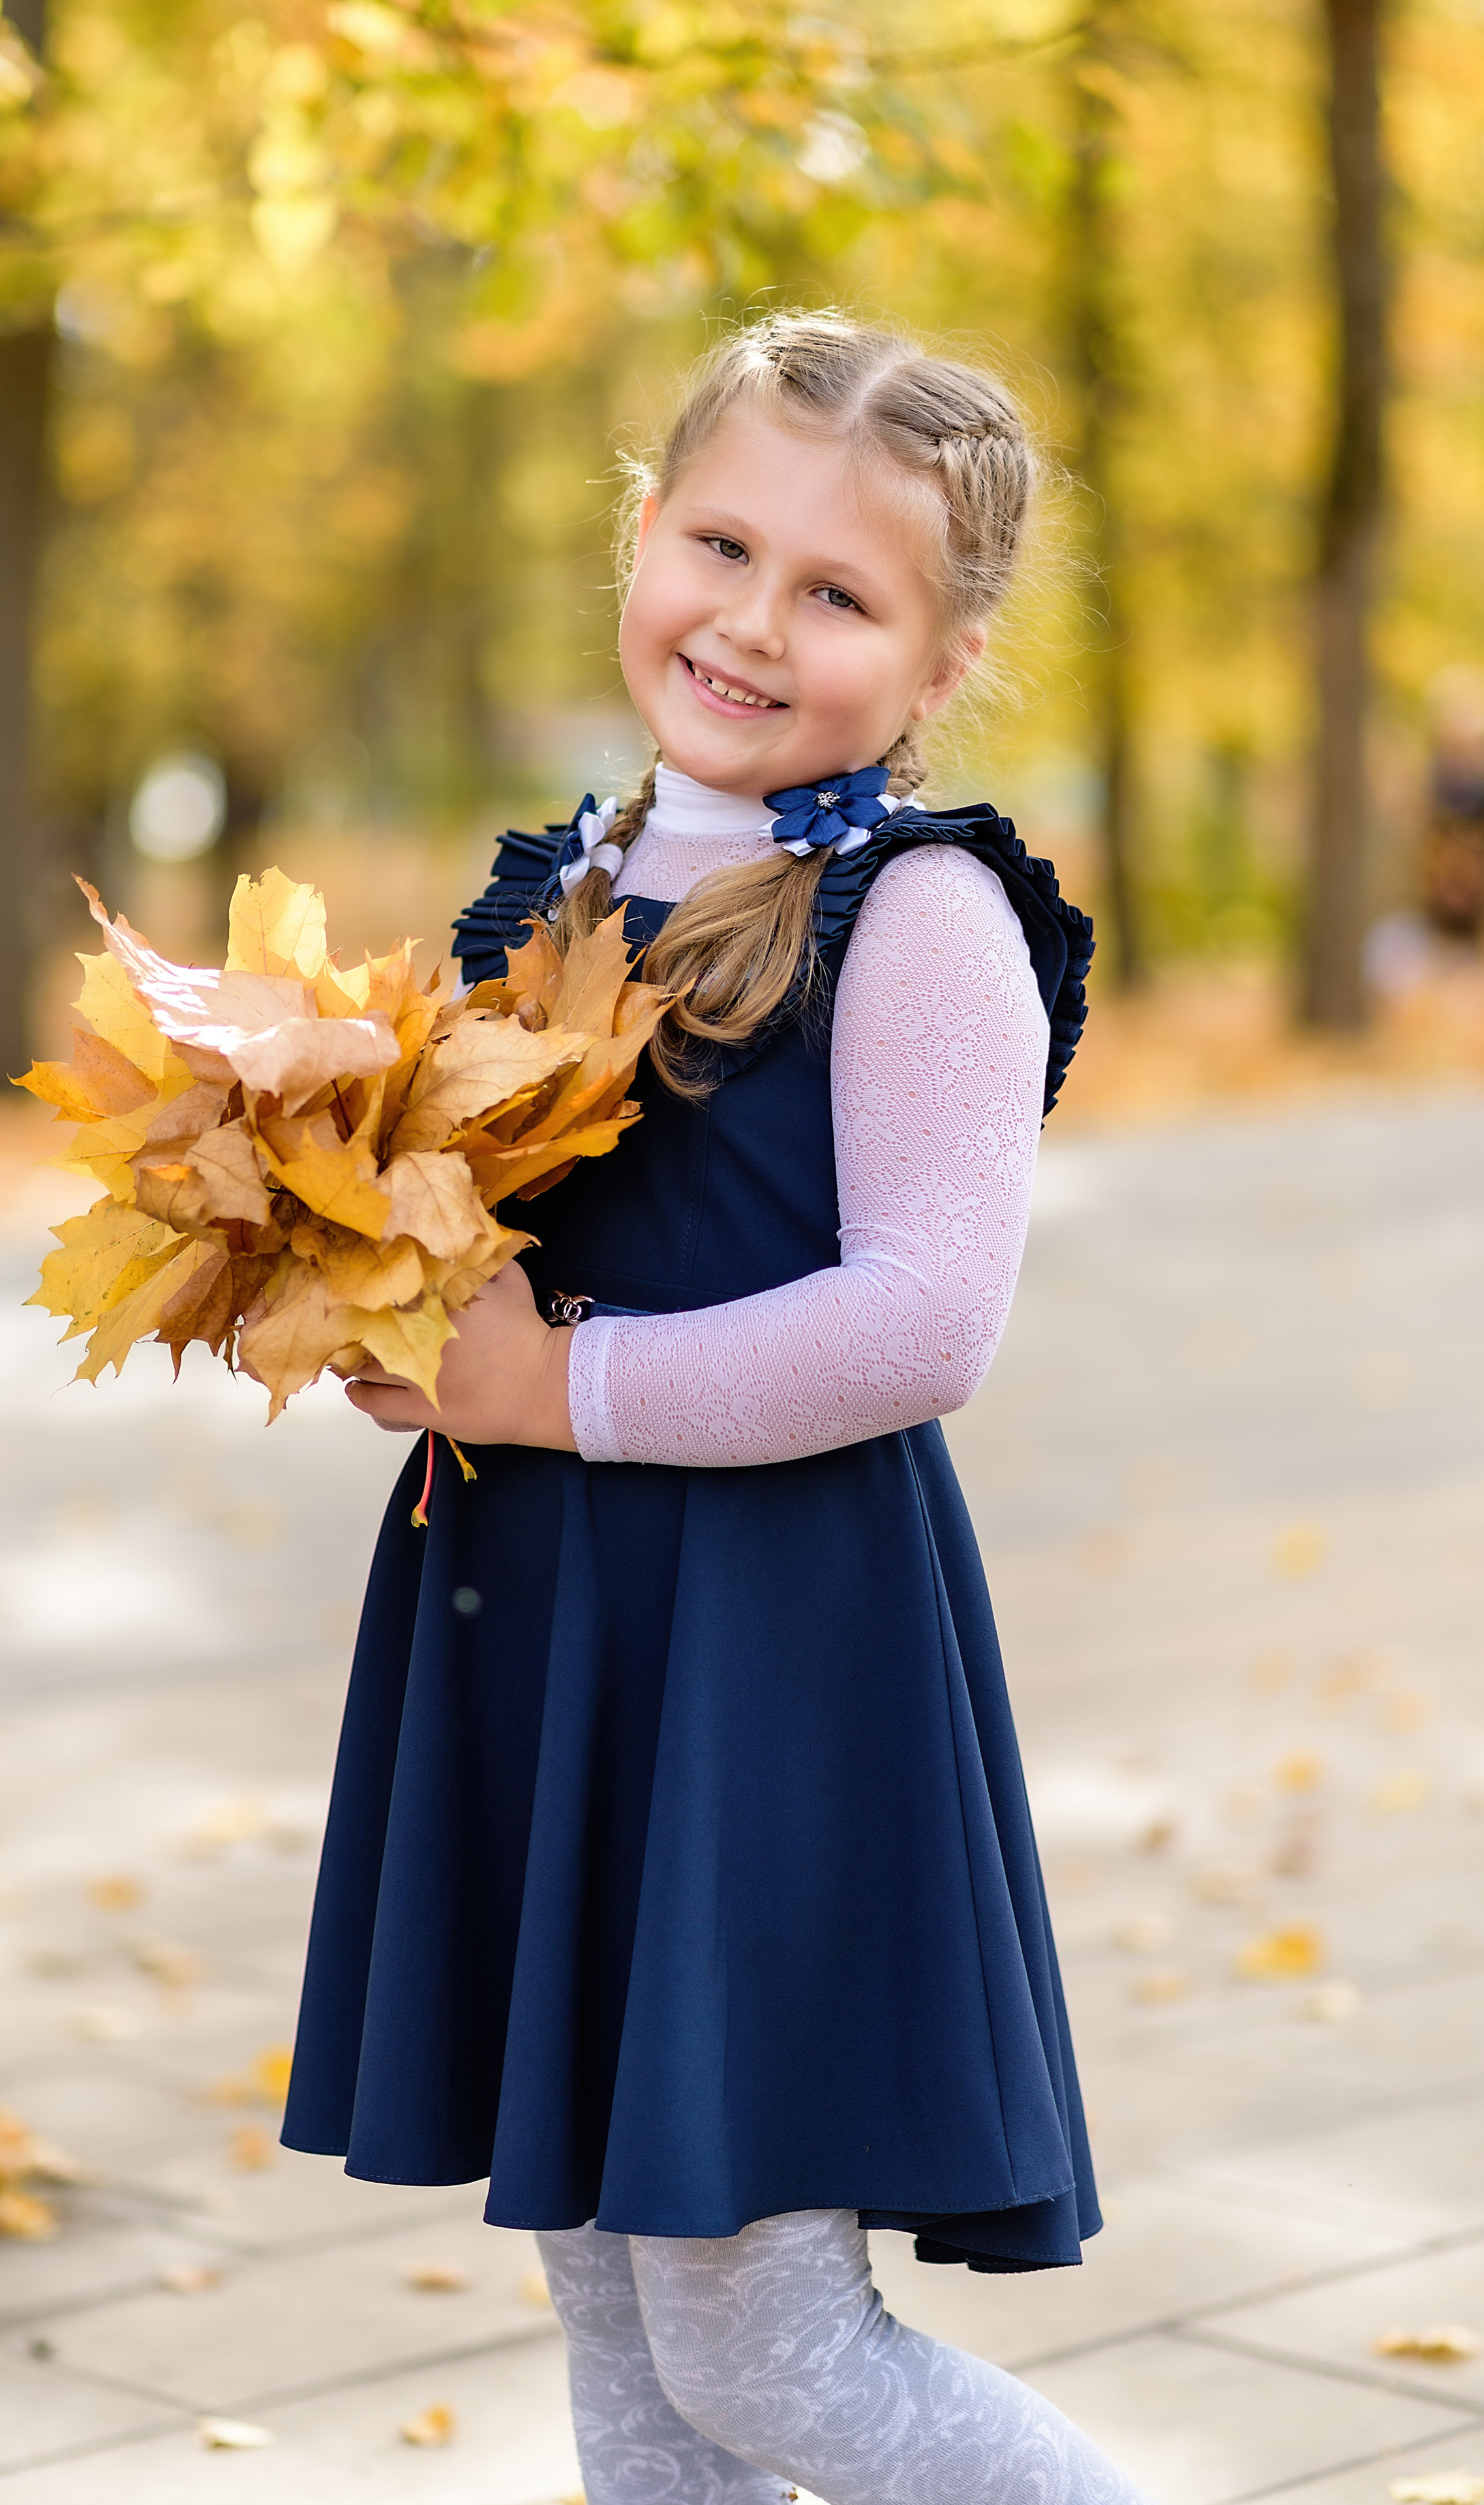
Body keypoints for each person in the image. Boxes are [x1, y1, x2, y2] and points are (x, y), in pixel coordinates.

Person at [281, 311, 1150, 2505]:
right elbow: (492, 1235)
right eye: (721, 545)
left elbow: (923, 1323)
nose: (753, 624)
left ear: (944, 657)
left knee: (774, 2356)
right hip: (547, 1635)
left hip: (766, 1661)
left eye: (840, 593)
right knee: (617, 2328)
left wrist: (556, 1383)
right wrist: (376, 1297)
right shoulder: (561, 880)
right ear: (637, 532)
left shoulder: (917, 915)